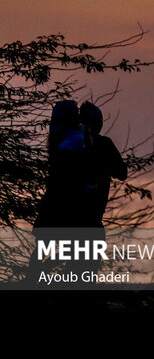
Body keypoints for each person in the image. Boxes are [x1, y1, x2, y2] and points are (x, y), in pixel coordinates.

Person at [29, 100, 95, 283]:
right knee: (74, 249)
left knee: (44, 248)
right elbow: (68, 165)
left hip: (55, 199)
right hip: (67, 201)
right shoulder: (73, 137)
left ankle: (34, 282)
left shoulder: (58, 137)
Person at [79, 102, 128, 228]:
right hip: (93, 215)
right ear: (98, 122)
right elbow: (122, 173)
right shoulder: (104, 144)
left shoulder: (70, 143)